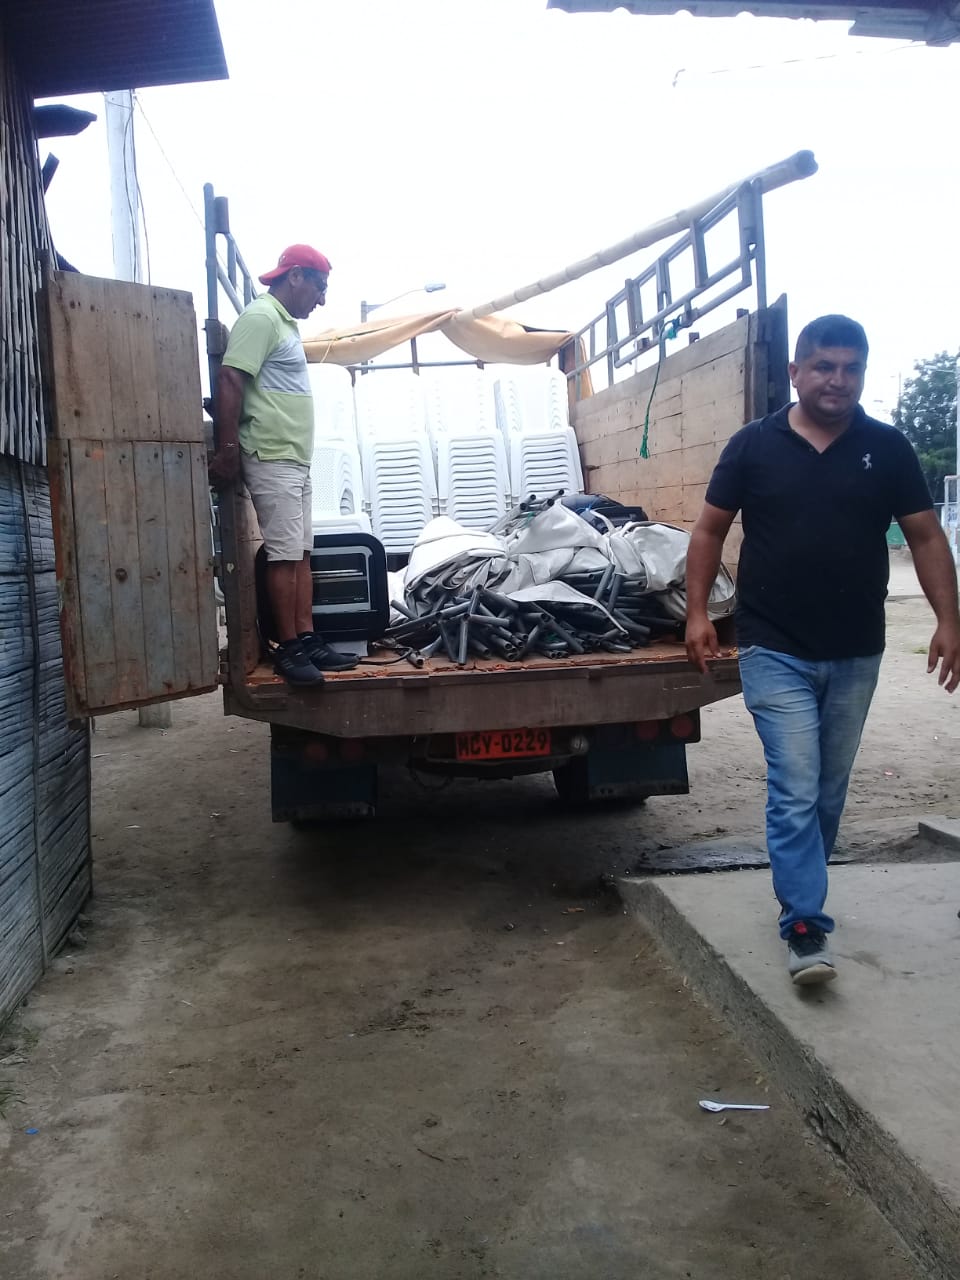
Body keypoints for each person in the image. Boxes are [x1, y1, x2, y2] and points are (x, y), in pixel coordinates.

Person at [685, 314, 960, 986]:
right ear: (796, 372)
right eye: (824, 367)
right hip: (772, 644)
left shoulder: (886, 448)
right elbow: (709, 530)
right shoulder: (753, 446)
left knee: (827, 789)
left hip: (857, 648)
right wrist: (696, 613)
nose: (838, 380)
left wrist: (949, 621)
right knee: (796, 782)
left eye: (851, 369)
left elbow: (926, 537)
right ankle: (805, 922)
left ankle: (803, 886)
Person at [208, 245, 357, 685]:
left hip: (293, 458)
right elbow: (230, 377)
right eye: (320, 286)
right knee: (285, 555)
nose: (322, 299)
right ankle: (289, 648)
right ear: (295, 276)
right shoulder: (261, 318)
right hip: (271, 454)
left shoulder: (284, 323)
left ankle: (306, 638)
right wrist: (228, 448)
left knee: (301, 554)